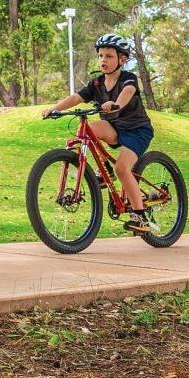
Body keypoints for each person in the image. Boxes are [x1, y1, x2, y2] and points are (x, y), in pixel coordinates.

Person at [43, 34, 156, 233]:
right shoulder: (96, 84)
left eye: (109, 56)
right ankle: (105, 170)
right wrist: (55, 108)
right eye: (101, 56)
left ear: (122, 60)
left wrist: (116, 105)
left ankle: (141, 216)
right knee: (90, 129)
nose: (103, 60)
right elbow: (77, 97)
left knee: (123, 168)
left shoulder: (128, 78)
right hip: (115, 128)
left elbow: (128, 92)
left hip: (137, 131)